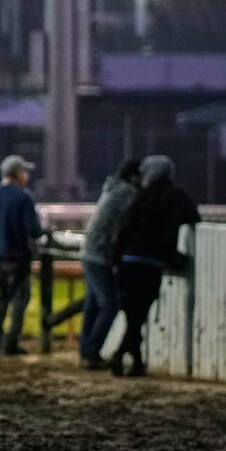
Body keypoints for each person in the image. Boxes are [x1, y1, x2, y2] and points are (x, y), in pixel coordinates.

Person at [108, 155, 201, 378]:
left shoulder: (139, 197)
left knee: (133, 315)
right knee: (139, 314)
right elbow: (194, 217)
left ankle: (130, 358)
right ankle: (125, 356)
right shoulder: (177, 196)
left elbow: (123, 228)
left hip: (128, 262)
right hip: (152, 264)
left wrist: (115, 258)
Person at [0, 154, 45, 356]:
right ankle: (11, 343)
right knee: (19, 301)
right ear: (17, 174)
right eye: (25, 172)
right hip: (18, 258)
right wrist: (45, 231)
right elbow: (33, 230)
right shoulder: (23, 197)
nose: (27, 176)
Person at [77, 157, 142, 369]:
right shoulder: (127, 194)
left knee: (93, 305)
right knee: (110, 305)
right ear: (134, 176)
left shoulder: (112, 190)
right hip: (100, 255)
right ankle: (92, 352)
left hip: (89, 252)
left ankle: (86, 351)